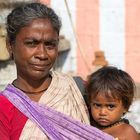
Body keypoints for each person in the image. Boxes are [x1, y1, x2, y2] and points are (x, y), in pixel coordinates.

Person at [0, 2, 114, 140]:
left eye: (50, 45)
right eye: (31, 43)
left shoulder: (79, 90)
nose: (42, 54)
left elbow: (117, 131)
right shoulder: (4, 107)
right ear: (10, 46)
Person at [86, 66, 140, 140]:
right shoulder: (86, 125)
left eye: (110, 106)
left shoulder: (127, 132)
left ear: (125, 107)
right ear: (90, 103)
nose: (102, 112)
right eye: (97, 105)